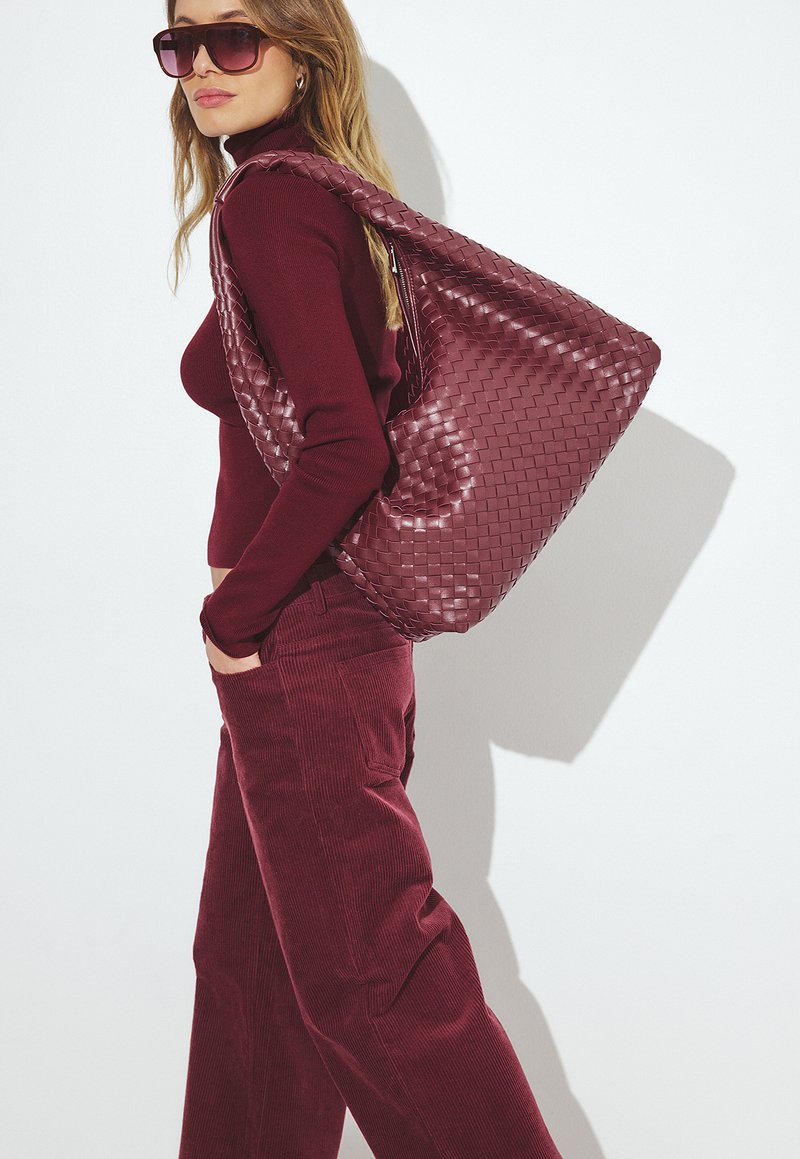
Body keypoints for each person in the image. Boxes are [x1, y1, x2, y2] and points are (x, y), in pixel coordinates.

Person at [154, 2, 566, 1156]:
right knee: (252, 968)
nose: (203, 66)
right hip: (322, 635)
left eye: (235, 38)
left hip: (297, 635)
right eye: (180, 44)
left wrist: (235, 611)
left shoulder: (276, 203)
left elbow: (346, 442)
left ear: (302, 51)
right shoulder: (318, 195)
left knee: (374, 983)